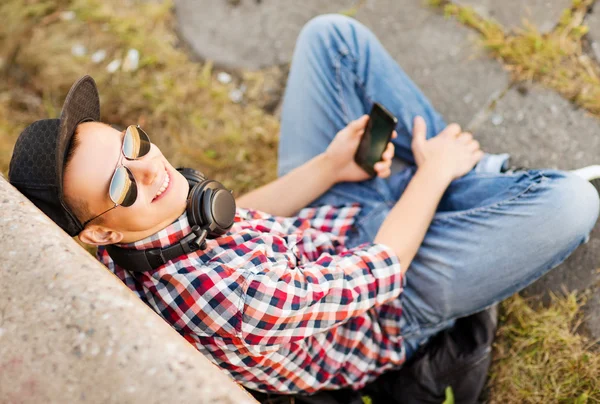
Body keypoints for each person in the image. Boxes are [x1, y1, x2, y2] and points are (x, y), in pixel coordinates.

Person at [8, 14, 600, 396]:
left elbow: (242, 217)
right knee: (571, 202)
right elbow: (383, 268)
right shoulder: (233, 305)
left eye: (131, 144)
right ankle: (459, 174)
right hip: (393, 295)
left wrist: (329, 168)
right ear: (102, 235)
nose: (148, 167)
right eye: (119, 185)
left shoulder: (136, 235)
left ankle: (463, 179)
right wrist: (432, 175)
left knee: (331, 38)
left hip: (326, 219)